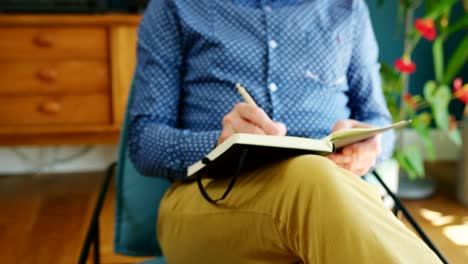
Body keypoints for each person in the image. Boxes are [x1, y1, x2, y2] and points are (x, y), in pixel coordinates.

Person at [127, 0, 441, 263]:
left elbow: (376, 119)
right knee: (311, 176)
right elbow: (144, 142)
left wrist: (370, 144)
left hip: (333, 200)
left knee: (317, 179)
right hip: (210, 200)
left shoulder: (348, 8)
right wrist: (220, 143)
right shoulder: (175, 6)